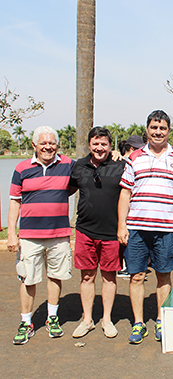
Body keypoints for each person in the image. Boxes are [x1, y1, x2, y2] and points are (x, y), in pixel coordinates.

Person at [117, 110, 173, 344]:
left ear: (168, 131)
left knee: (164, 276)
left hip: (166, 229)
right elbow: (125, 192)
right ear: (147, 130)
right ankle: (139, 323)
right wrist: (122, 225)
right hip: (136, 228)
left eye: (162, 128)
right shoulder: (134, 158)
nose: (158, 132)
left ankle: (162, 320)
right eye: (154, 128)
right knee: (136, 276)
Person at [8, 126, 75, 345]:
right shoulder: (21, 168)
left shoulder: (67, 165)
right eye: (43, 143)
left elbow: (88, 169)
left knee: (55, 276)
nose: (48, 146)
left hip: (59, 234)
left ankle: (52, 318)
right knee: (28, 279)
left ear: (57, 145)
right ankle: (26, 322)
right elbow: (14, 202)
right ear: (34, 145)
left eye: (52, 143)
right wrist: (12, 233)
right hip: (29, 236)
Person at [69, 127, 126, 339]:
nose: (99, 148)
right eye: (95, 143)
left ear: (110, 146)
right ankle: (87, 320)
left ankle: (107, 319)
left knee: (110, 277)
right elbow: (67, 189)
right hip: (85, 231)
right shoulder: (79, 166)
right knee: (87, 276)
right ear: (89, 144)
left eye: (103, 144)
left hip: (112, 232)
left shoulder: (120, 165)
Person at [116, 134, 145, 279]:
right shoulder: (121, 162)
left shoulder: (134, 162)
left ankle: (130, 266)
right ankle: (126, 267)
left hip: (135, 210)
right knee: (125, 238)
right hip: (124, 208)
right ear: (131, 148)